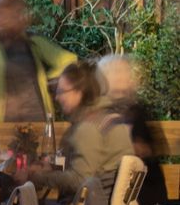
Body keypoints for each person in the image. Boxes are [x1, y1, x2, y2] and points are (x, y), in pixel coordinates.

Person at [28, 61, 133, 197]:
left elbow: (80, 180)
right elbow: (92, 167)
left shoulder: (89, 127)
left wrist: (37, 178)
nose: (57, 97)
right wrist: (51, 170)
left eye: (62, 92)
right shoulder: (111, 118)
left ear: (79, 93)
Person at [97, 54, 168, 205]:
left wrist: (138, 148)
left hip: (140, 188)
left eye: (124, 71)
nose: (121, 76)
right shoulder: (98, 113)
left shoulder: (139, 110)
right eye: (115, 72)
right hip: (111, 185)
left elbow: (156, 149)